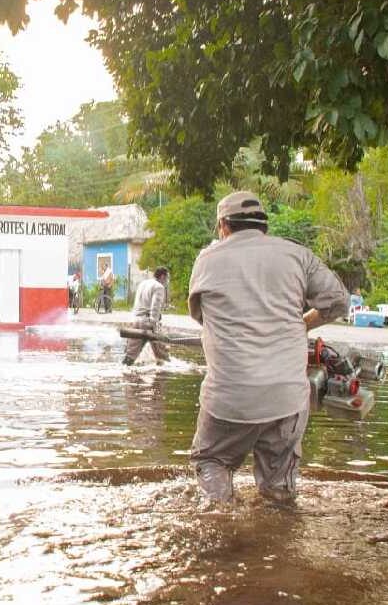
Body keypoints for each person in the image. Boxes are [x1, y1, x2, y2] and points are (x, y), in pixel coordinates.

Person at [187, 192, 348, 505]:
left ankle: (222, 522)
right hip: (287, 396)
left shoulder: (207, 259)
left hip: (228, 396)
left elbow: (202, 316)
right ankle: (281, 540)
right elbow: (338, 301)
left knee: (211, 461)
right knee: (279, 492)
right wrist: (303, 323)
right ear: (264, 226)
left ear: (223, 225)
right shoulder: (297, 255)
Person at [123, 267, 170, 365]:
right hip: (147, 323)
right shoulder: (159, 287)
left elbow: (137, 303)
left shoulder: (143, 283)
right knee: (162, 355)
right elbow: (155, 307)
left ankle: (124, 374)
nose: (167, 281)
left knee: (130, 354)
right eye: (167, 278)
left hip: (135, 321)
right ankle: (163, 376)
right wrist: (153, 325)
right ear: (162, 276)